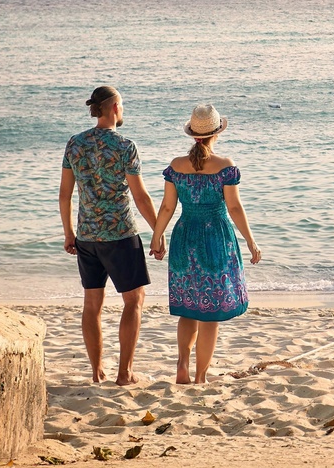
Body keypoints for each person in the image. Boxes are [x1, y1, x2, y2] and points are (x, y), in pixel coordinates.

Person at [150, 103, 262, 384]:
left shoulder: (176, 166)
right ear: (217, 133)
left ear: (192, 134)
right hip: (214, 237)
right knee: (210, 313)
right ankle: (201, 376)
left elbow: (166, 207)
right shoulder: (225, 166)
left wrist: (156, 237)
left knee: (189, 307)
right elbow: (234, 208)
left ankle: (182, 367)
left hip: (184, 235)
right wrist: (251, 241)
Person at [59, 85, 159, 385]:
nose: (123, 110)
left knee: (92, 304)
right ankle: (125, 373)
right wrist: (159, 231)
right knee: (134, 301)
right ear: (114, 107)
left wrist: (69, 233)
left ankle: (96, 371)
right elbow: (141, 197)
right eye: (122, 105)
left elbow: (65, 195)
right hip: (120, 234)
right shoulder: (125, 146)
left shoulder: (74, 144)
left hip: (87, 236)